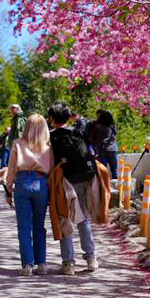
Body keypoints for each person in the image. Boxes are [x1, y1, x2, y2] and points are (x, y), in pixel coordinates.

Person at [48, 103, 99, 275]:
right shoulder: (77, 133)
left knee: (65, 218)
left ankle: (68, 263)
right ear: (68, 117)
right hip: (82, 179)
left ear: (52, 119)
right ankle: (91, 258)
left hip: (64, 181)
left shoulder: (52, 137)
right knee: (83, 218)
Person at [5, 113, 53, 277]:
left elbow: (11, 169)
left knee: (24, 228)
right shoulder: (48, 146)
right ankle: (42, 263)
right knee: (39, 226)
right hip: (41, 183)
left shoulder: (17, 144)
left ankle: (27, 265)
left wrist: (8, 189)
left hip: (23, 182)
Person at [87, 110, 118, 180]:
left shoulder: (96, 127)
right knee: (114, 171)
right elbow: (115, 134)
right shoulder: (112, 126)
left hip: (102, 150)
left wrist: (95, 144)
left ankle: (104, 189)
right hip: (113, 150)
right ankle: (116, 188)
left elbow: (91, 138)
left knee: (103, 171)